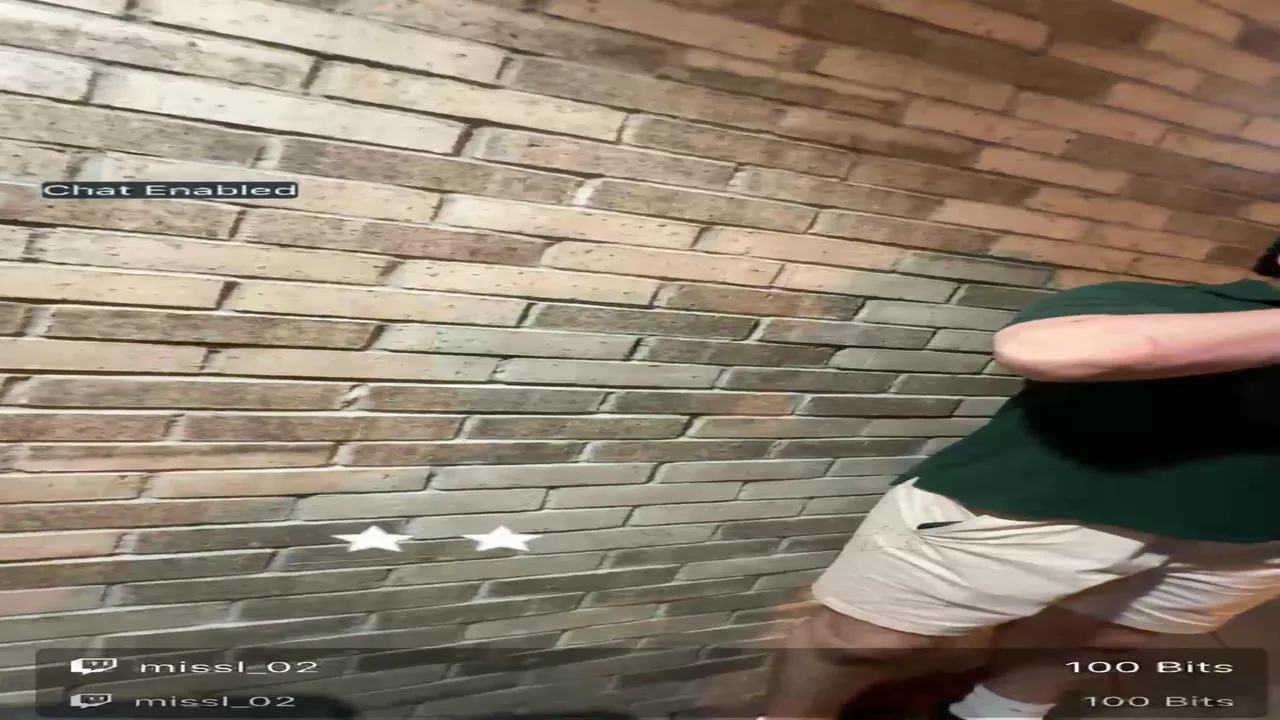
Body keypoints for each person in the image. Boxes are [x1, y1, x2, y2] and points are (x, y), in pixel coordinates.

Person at [762, 241, 1280, 720]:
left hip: (1254, 542)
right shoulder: (1179, 305)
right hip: (1035, 509)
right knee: (861, 643)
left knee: (1100, 641)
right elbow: (1052, 350)